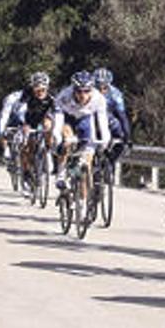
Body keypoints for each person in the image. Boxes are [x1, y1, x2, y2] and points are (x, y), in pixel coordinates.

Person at [52, 70, 111, 221]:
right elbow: (58, 119)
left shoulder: (98, 99)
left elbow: (102, 121)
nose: (83, 95)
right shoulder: (64, 96)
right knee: (67, 139)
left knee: (85, 167)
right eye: (79, 91)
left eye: (86, 91)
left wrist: (104, 139)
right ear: (73, 89)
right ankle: (61, 174)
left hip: (85, 121)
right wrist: (58, 137)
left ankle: (82, 203)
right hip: (68, 119)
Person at [0, 71, 57, 191]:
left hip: (37, 120)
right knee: (24, 144)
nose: (40, 92)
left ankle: (47, 152)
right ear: (32, 87)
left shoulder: (51, 98)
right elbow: (16, 114)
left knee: (48, 125)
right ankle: (24, 170)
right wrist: (3, 132)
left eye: (43, 90)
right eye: (37, 89)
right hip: (18, 118)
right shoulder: (22, 97)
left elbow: (57, 115)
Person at [92, 67, 131, 169]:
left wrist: (127, 137)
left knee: (120, 134)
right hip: (92, 119)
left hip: (109, 120)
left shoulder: (115, 94)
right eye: (98, 87)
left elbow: (122, 116)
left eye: (104, 87)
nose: (101, 90)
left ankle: (110, 161)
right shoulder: (88, 92)